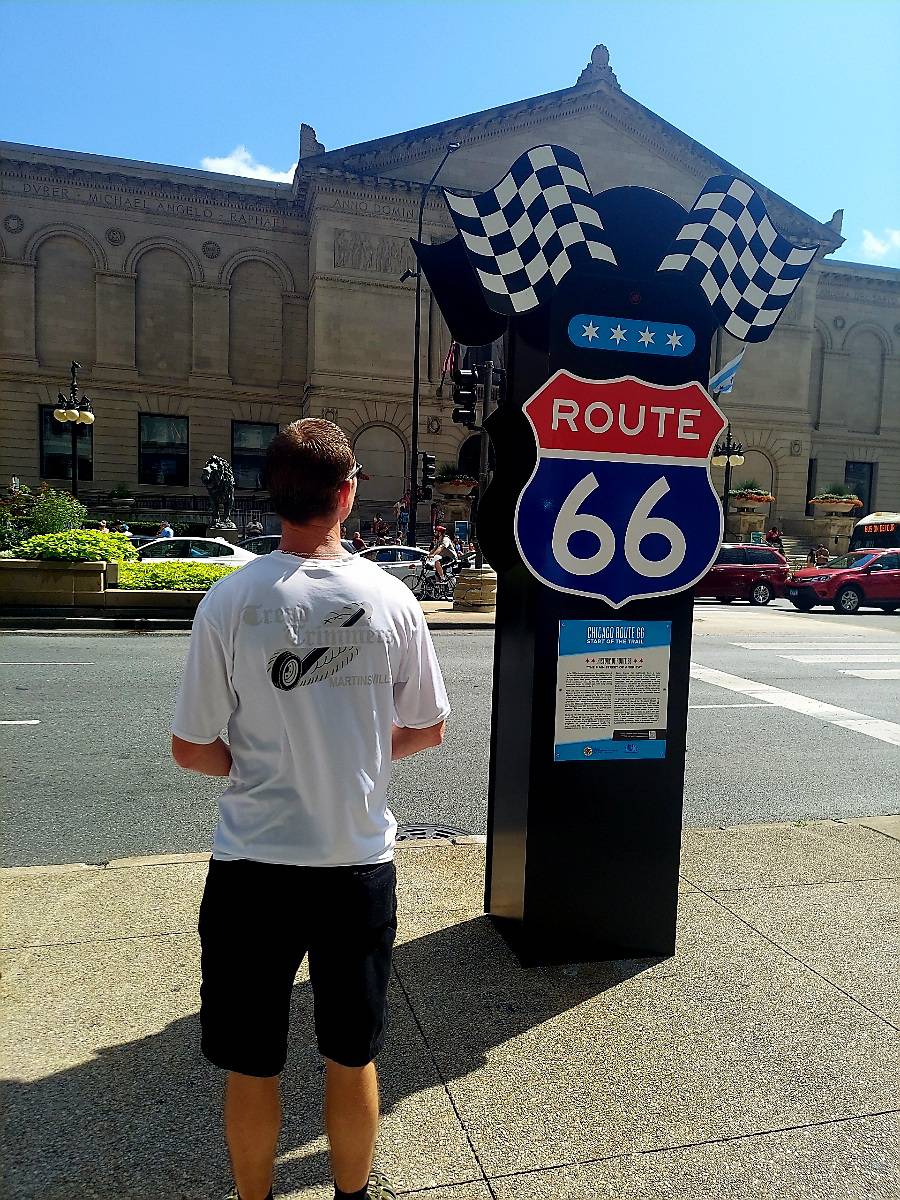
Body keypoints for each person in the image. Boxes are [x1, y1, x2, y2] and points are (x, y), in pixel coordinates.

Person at [170, 419, 449, 1200]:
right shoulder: (390, 598)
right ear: (347, 494)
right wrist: (360, 754)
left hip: (252, 866)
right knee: (351, 1056)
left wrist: (256, 763)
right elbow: (429, 727)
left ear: (271, 495)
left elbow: (191, 748)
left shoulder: (229, 600)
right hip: (355, 864)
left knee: (251, 1062)